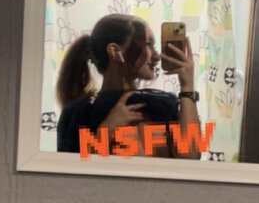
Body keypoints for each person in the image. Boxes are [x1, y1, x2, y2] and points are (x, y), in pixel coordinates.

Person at [55, 14, 202, 159]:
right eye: (148, 44)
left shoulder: (164, 103)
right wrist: (108, 128)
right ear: (115, 51)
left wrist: (187, 87)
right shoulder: (80, 112)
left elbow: (190, 157)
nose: (157, 56)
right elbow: (70, 172)